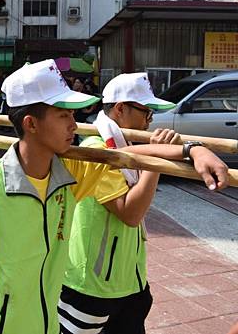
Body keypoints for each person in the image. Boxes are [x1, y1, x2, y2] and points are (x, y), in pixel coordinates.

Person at [0, 60, 229, 334]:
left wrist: (193, 150)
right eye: (63, 115)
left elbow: (126, 157)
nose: (74, 125)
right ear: (31, 124)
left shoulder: (69, 175)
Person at [59, 73, 193, 334]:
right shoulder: (96, 149)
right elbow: (130, 213)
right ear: (120, 109)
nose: (149, 121)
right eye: (146, 113)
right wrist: (156, 161)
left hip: (130, 283)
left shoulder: (127, 145)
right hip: (93, 286)